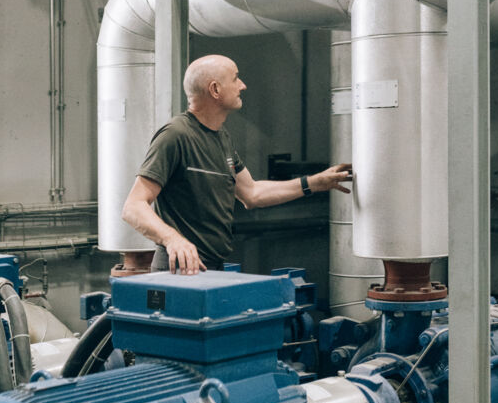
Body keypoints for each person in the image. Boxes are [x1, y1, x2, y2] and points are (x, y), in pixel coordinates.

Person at [121, 54, 353, 274]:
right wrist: (172, 239)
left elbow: (252, 193)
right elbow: (133, 207)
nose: (242, 85)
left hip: (209, 267)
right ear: (215, 89)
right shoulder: (175, 135)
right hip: (179, 270)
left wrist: (314, 182)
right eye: (235, 78)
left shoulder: (221, 137)